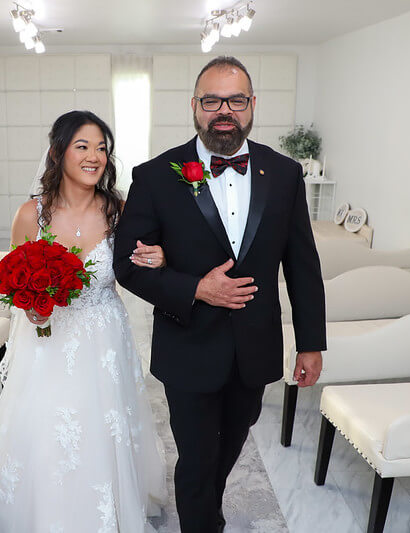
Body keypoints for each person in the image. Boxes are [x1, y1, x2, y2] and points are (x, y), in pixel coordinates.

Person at [113, 56, 327, 533]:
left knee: (229, 446)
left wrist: (311, 342)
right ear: (194, 106)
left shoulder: (285, 173)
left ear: (252, 105)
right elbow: (126, 265)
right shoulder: (155, 175)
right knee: (195, 459)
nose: (224, 111)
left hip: (255, 346)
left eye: (235, 100)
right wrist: (196, 288)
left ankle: (208, 512)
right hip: (187, 344)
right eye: (212, 101)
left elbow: (302, 264)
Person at [0, 110, 167, 532]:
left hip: (105, 336)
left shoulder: (120, 212)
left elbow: (140, 266)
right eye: (83, 146)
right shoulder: (31, 215)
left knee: (105, 424)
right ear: (58, 153)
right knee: (46, 425)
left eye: (102, 148)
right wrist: (31, 308)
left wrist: (160, 258)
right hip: (48, 341)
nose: (95, 156)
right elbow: (15, 284)